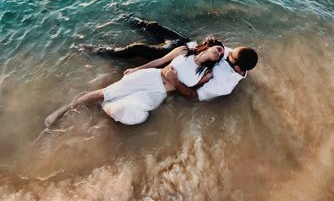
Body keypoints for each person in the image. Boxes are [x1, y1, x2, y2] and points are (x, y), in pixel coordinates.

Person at [45, 39, 225, 128]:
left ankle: (104, 104)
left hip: (158, 93)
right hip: (150, 76)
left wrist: (177, 82)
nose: (219, 53)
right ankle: (65, 109)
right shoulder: (184, 51)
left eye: (222, 54)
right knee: (105, 93)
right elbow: (159, 61)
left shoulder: (206, 73)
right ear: (210, 45)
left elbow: (189, 93)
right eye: (218, 49)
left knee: (134, 115)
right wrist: (137, 69)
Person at [82, 16, 259, 101]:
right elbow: (217, 47)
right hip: (187, 47)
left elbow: (194, 95)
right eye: (229, 50)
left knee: (136, 49)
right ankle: (119, 14)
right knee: (152, 26)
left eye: (229, 55)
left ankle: (98, 51)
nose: (226, 52)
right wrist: (209, 43)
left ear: (236, 68)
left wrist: (175, 81)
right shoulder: (234, 56)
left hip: (178, 61)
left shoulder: (224, 84)